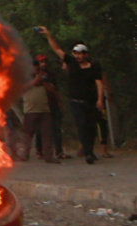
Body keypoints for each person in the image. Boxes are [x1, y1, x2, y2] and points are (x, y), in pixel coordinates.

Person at [38, 27, 104, 164]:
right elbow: (57, 50)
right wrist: (49, 35)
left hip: (90, 101)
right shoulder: (72, 63)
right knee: (81, 125)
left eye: (80, 54)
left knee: (91, 127)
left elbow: (99, 83)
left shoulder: (94, 65)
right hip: (76, 101)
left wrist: (100, 99)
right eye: (76, 53)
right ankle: (88, 153)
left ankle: (90, 150)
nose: (78, 56)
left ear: (86, 54)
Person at [21, 58, 58, 163]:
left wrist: (43, 82)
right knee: (28, 134)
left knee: (47, 134)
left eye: (37, 69)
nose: (36, 71)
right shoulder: (24, 78)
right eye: (34, 69)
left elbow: (53, 89)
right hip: (30, 110)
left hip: (44, 110)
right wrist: (34, 82)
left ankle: (49, 156)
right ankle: (25, 154)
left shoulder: (45, 77)